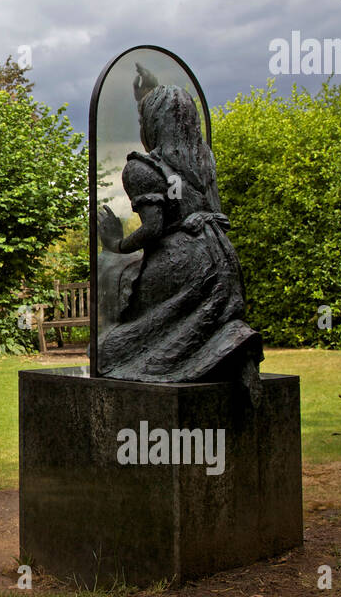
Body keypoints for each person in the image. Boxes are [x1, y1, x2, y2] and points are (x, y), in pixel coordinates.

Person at [95, 66, 263, 401]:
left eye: (144, 120)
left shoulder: (142, 168)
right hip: (222, 258)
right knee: (204, 315)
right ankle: (229, 344)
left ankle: (173, 360)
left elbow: (154, 229)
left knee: (111, 333)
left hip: (183, 262)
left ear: (153, 125)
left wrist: (116, 244)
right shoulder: (204, 161)